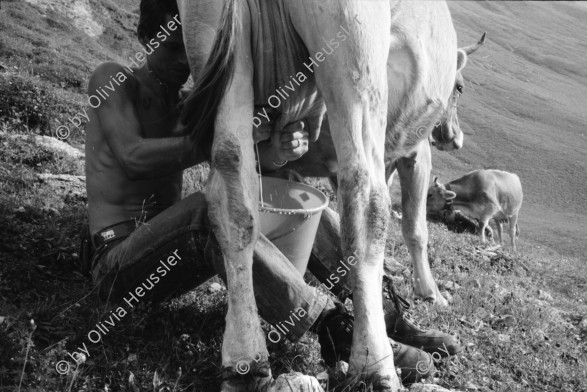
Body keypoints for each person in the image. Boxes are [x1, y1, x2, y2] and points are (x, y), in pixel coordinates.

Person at [81, 0, 459, 384]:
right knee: (205, 212)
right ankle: (333, 324)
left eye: (187, 48)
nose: (185, 63)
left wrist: (274, 150)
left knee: (292, 202)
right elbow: (133, 158)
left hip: (164, 247)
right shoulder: (112, 80)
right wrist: (220, 135)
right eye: (174, 47)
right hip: (117, 263)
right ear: (148, 38)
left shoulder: (183, 105)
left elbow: (236, 166)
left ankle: (379, 314)